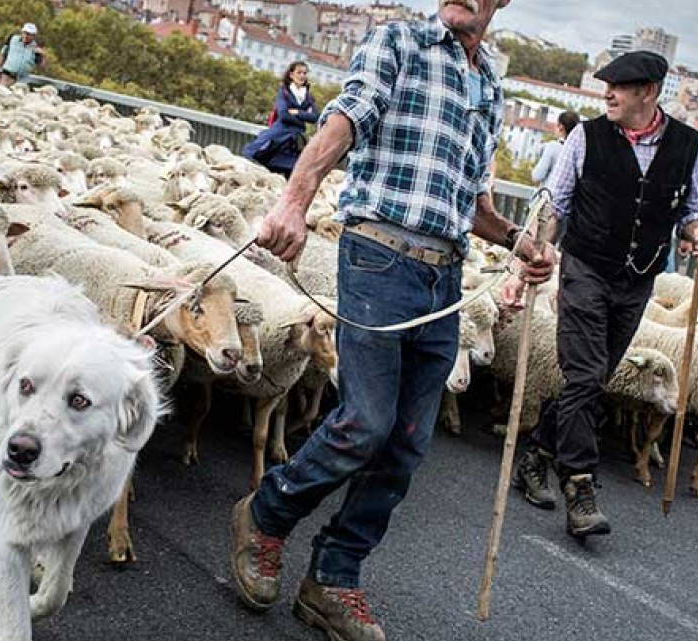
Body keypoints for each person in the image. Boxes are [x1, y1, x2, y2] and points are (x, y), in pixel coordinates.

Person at [230, 2, 553, 640]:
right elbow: (343, 122)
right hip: (378, 255)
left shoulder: (489, 83)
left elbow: (471, 200)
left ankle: (333, 578)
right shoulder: (400, 42)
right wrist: (293, 202)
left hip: (444, 275)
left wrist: (519, 242)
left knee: (406, 442)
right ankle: (265, 515)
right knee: (366, 423)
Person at [506, 51, 698, 538]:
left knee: (591, 380)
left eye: (619, 86)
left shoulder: (687, 145)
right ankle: (580, 486)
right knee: (585, 375)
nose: (607, 93)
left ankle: (536, 456)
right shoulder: (585, 136)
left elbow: (690, 213)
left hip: (638, 280)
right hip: (585, 269)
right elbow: (556, 203)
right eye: (607, 84)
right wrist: (530, 259)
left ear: (648, 92)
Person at [241, 61, 319, 179]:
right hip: (281, 133)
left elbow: (315, 117)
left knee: (294, 171)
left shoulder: (308, 97)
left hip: (296, 140)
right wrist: (302, 117)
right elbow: (283, 115)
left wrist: (297, 112)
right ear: (291, 74)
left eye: (304, 73)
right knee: (260, 155)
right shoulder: (284, 92)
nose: (302, 76)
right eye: (299, 72)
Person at [530, 110, 579, 187]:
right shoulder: (578, 151)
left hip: (549, 192)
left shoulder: (553, 147)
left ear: (560, 127)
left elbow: (537, 176)